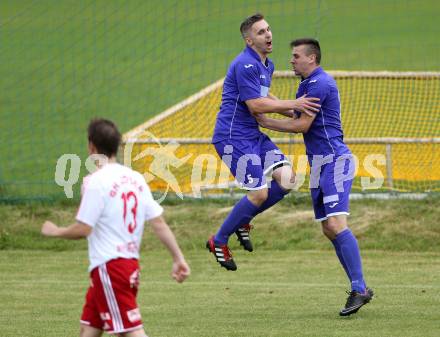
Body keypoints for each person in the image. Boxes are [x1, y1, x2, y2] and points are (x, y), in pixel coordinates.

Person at [255, 38, 373, 316]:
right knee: (328, 228)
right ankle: (361, 287)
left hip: (335, 162)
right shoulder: (306, 85)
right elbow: (292, 110)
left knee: (336, 223)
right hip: (319, 165)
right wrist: (262, 98)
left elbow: (301, 124)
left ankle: (358, 288)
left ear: (312, 58)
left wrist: (265, 120)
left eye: (296, 56)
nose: (291, 60)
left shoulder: (320, 83)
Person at [41, 118, 190, 337]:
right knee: (89, 329)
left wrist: (55, 231)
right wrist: (178, 257)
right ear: (117, 146)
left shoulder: (96, 181)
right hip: (126, 265)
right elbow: (158, 222)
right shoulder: (135, 178)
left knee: (130, 331)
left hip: (109, 267)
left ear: (91, 146)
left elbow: (83, 229)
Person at [207, 13, 321, 271]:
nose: (268, 35)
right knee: (259, 193)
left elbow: (264, 95)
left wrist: (290, 112)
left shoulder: (266, 65)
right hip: (233, 136)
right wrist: (295, 103)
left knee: (288, 179)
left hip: (252, 135)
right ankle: (219, 240)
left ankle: (244, 220)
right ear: (249, 41)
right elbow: (256, 105)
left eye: (268, 29)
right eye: (260, 32)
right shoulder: (245, 65)